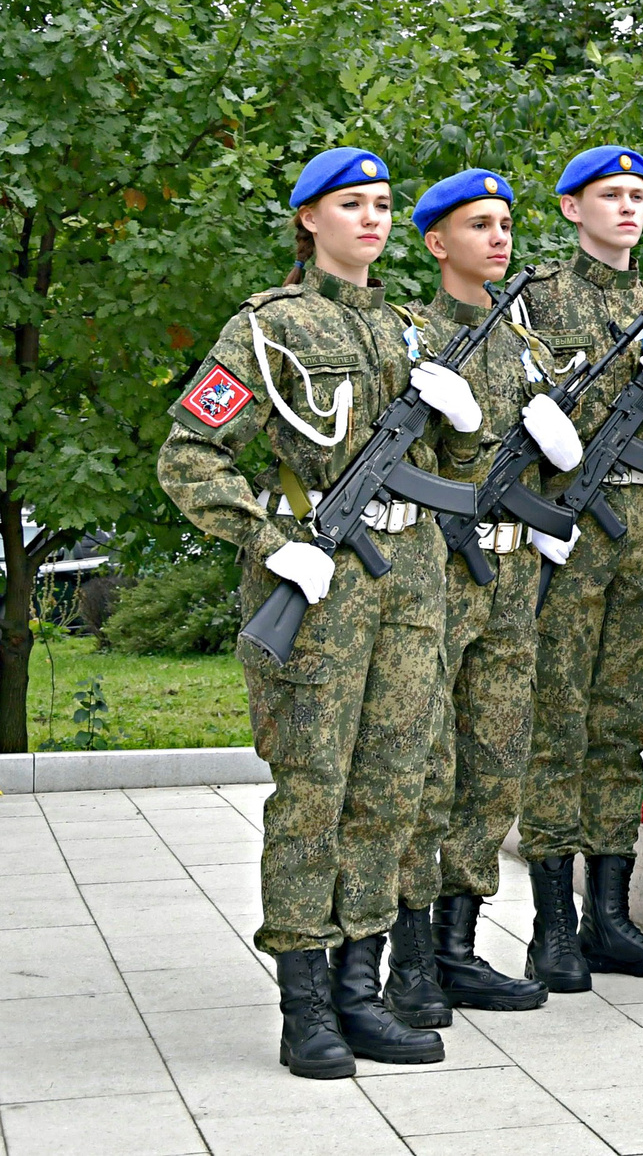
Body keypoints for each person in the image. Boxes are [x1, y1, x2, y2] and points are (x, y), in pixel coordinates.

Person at [158, 147, 485, 1076]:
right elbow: (190, 456)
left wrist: (464, 426)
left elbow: (462, 482)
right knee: (314, 794)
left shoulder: (418, 331)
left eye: (383, 204)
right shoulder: (268, 329)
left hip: (412, 578)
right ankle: (305, 1007)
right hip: (317, 582)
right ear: (309, 219)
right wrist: (270, 540)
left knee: (391, 789)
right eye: (352, 204)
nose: (373, 219)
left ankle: (361, 989)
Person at [386, 170, 585, 1029]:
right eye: (480, 225)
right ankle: (409, 957)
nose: (500, 239)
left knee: (495, 764)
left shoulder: (523, 344)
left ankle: (461, 943)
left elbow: (546, 465)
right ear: (437, 243)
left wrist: (557, 464)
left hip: (510, 579)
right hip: (435, 572)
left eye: (506, 224)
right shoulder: (414, 339)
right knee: (424, 767)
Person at [515, 146, 643, 989]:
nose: (628, 207)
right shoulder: (532, 299)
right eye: (611, 195)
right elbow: (500, 413)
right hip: (570, 526)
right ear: (571, 207)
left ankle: (610, 916)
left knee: (624, 722)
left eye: (638, 194)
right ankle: (552, 925)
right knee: (557, 720)